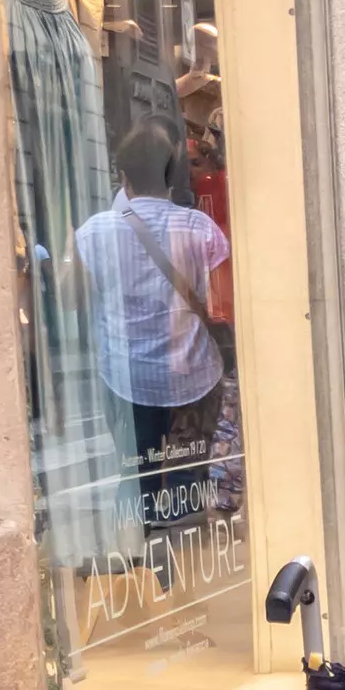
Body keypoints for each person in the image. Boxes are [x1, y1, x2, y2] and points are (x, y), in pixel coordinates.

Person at [75, 117, 231, 533]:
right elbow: (221, 302)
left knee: (135, 473)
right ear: (172, 172)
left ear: (123, 176)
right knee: (187, 480)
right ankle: (190, 563)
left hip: (127, 375)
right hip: (191, 373)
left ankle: (139, 557)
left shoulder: (94, 232)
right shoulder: (200, 229)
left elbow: (70, 298)